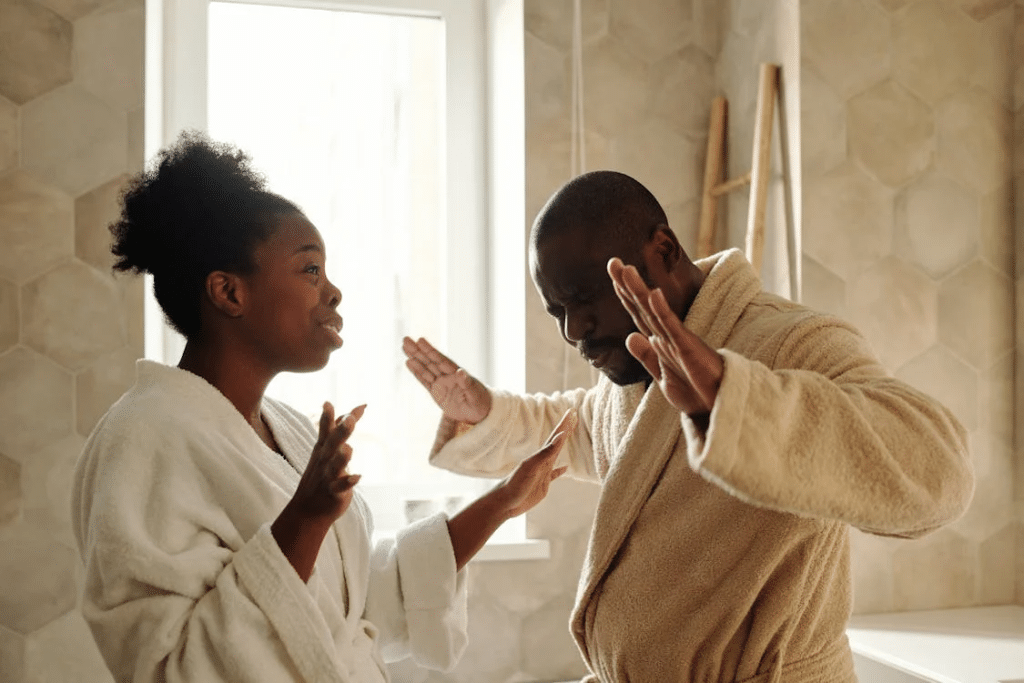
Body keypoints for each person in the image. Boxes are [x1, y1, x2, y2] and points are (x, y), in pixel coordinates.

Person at [402, 170, 974, 682]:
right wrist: (486, 414)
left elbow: (939, 471)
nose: (574, 330)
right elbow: (572, 428)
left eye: (584, 299)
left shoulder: (791, 343)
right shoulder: (633, 379)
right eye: (558, 312)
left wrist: (734, 402)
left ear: (664, 250)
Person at [71, 131, 577, 683]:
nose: (332, 292)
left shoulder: (282, 429)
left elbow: (350, 604)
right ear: (229, 293)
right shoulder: (144, 438)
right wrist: (305, 517)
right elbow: (172, 666)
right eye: (310, 270)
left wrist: (503, 502)